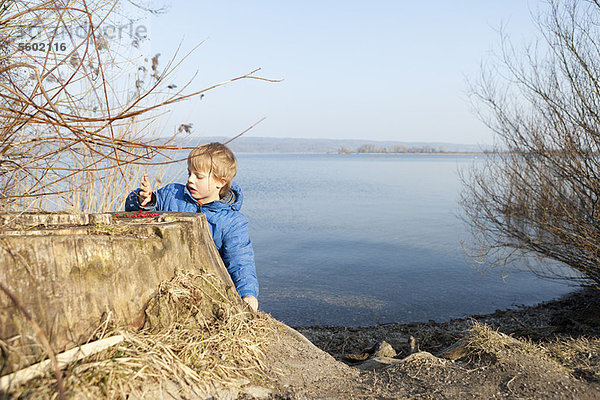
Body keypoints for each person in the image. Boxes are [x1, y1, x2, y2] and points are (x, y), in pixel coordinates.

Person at [125, 142, 259, 311]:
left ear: (221, 182)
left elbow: (241, 261)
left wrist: (248, 294)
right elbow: (136, 210)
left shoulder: (233, 222)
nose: (190, 180)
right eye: (189, 173)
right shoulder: (172, 195)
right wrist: (144, 200)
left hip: (204, 287)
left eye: (199, 176)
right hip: (164, 279)